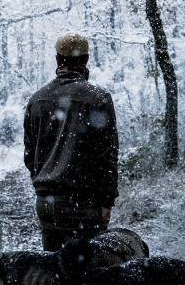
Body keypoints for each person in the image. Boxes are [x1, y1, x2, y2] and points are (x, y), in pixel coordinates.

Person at [24, 33, 119, 252]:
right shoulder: (98, 98)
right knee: (86, 276)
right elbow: (107, 156)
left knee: (53, 276)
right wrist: (106, 202)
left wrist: (44, 186)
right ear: (86, 60)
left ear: (58, 60)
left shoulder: (37, 100)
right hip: (85, 205)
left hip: (48, 204)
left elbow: (30, 156)